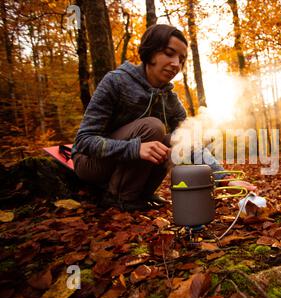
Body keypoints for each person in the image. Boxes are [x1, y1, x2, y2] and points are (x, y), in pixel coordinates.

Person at [71, 24, 256, 211]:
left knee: (176, 141)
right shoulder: (116, 81)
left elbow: (191, 143)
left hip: (122, 165)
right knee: (153, 127)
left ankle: (140, 195)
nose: (176, 64)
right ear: (150, 51)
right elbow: (84, 141)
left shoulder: (170, 100)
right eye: (169, 53)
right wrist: (135, 148)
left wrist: (223, 178)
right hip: (91, 163)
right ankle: (119, 199)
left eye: (181, 59)